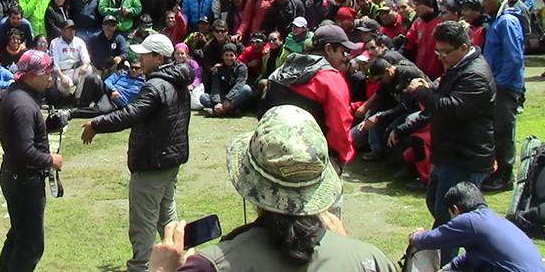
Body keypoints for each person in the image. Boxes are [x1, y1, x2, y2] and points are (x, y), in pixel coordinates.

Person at [147, 105, 397, 272]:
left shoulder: (209, 266)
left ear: (250, 181)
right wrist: (346, 246)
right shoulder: (372, 261)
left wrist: (161, 269)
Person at [82, 34, 193, 272]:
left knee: (143, 224)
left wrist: (96, 124)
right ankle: (179, 264)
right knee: (167, 218)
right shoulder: (178, 79)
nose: (139, 59)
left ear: (158, 57)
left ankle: (140, 267)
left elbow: (130, 113)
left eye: (144, 55)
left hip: (152, 163)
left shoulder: (155, 85)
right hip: (170, 161)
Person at [404, 21, 495, 265]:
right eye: (438, 52)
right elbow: (444, 89)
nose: (441, 57)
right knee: (435, 201)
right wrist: (430, 86)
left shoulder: (476, 75)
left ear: (464, 47)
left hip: (465, 157)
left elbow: (452, 108)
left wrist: (422, 93)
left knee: (449, 217)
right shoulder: (459, 65)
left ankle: (449, 264)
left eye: (446, 52)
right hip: (448, 152)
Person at [0, 50, 67, 272]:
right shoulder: (23, 105)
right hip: (24, 181)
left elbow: (21, 136)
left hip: (14, 176)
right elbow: (24, 151)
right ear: (31, 75)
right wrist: (50, 160)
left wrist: (46, 127)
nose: (50, 78)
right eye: (46, 73)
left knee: (18, 235)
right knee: (30, 245)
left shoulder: (16, 94)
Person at [260, 24, 356, 166]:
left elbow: (263, 110)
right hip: (312, 158)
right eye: (343, 52)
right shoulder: (331, 79)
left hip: (272, 153)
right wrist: (341, 158)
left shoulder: (282, 69)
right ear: (328, 49)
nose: (345, 59)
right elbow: (339, 126)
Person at [409, 182, 545, 272]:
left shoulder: (469, 221)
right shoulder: (493, 220)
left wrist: (415, 236)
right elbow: (471, 258)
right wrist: (447, 269)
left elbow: (430, 240)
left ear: (455, 209)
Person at [480, 0, 525, 192]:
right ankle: (498, 170)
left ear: (497, 1)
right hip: (496, 83)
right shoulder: (495, 21)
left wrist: (500, 82)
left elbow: (514, 57)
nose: (484, 5)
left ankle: (506, 175)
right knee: (496, 129)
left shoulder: (507, 22)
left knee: (504, 130)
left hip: (505, 86)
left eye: (487, 1)